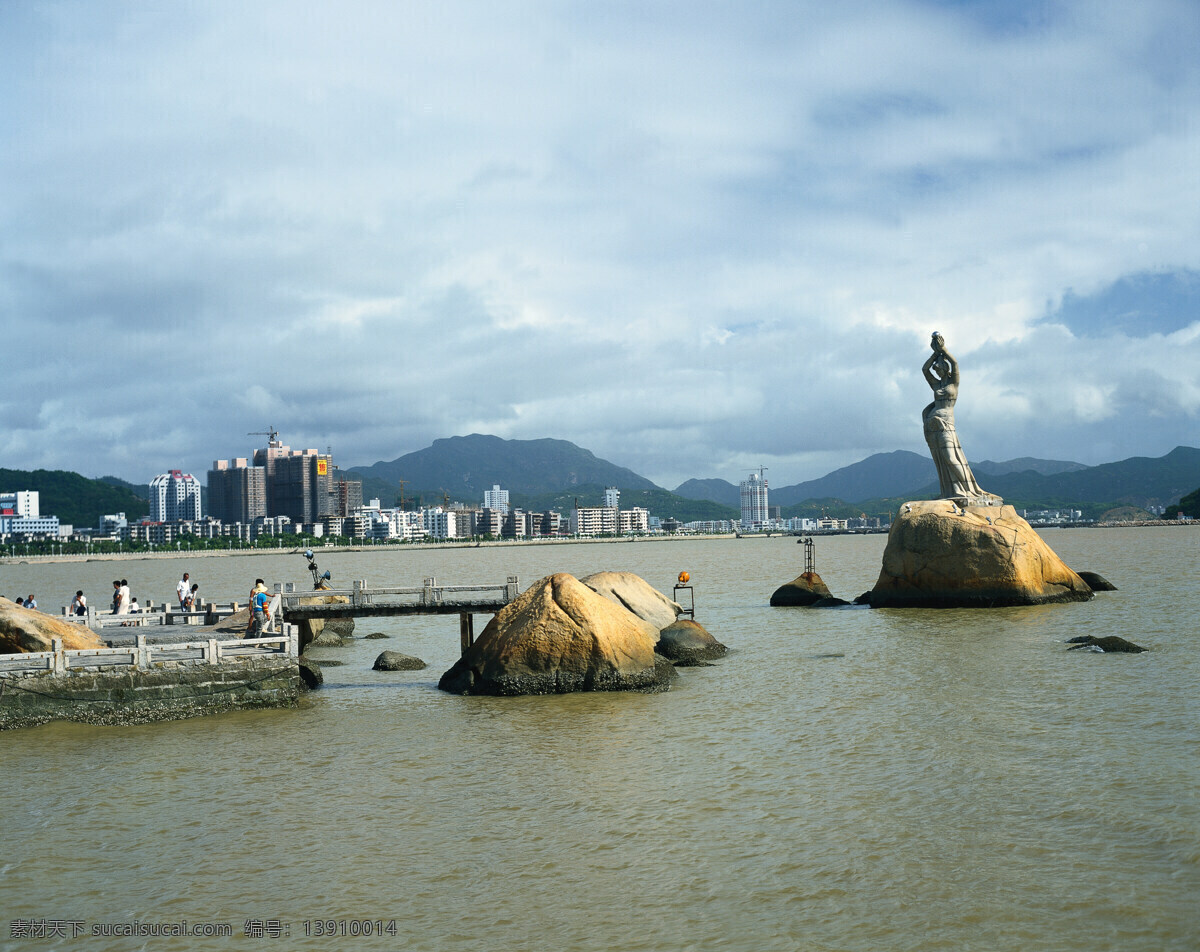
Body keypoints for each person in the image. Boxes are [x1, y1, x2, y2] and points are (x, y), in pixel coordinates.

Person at [921, 333, 997, 503]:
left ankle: (969, 491)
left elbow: (955, 363)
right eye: (936, 369)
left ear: (945, 368)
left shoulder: (953, 383)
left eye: (939, 367)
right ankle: (950, 491)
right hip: (932, 426)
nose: (937, 370)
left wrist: (943, 350)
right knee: (941, 460)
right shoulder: (937, 384)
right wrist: (934, 354)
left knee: (950, 457)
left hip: (946, 425)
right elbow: (924, 370)